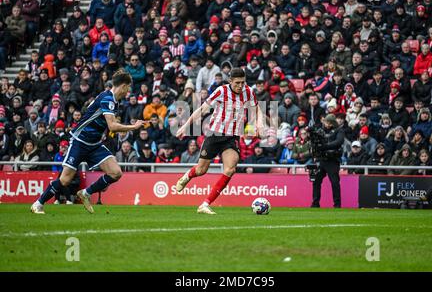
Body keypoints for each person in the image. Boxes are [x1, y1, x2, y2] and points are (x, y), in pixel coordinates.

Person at [31, 70, 147, 214]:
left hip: (94, 144)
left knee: (116, 173)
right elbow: (112, 125)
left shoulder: (113, 100)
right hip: (80, 141)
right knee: (65, 180)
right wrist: (133, 127)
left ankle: (85, 193)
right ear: (123, 86)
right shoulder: (107, 99)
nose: (128, 91)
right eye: (128, 87)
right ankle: (38, 203)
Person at [175, 68, 265, 214]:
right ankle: (187, 176)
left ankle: (205, 204)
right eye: (237, 83)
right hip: (214, 135)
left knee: (231, 168)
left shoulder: (248, 92)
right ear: (230, 81)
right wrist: (185, 126)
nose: (240, 86)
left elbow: (257, 110)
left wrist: (260, 124)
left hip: (232, 137)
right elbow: (202, 109)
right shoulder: (221, 91)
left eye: (243, 82)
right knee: (201, 170)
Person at [310, 114, 344, 208]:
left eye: (327, 122)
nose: (325, 124)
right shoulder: (321, 130)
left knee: (334, 182)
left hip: (332, 160)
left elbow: (338, 142)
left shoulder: (339, 130)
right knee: (316, 180)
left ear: (332, 123)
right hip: (321, 159)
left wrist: (325, 146)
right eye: (325, 122)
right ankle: (315, 203)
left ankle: (337, 204)